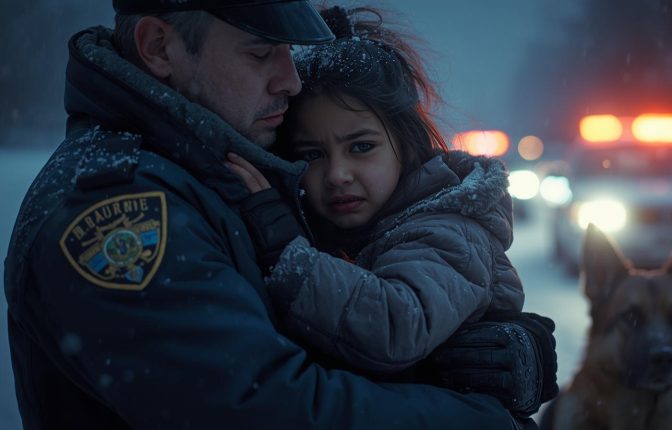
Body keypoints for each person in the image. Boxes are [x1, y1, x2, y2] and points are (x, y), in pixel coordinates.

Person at [3, 1, 553, 429]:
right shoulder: (116, 207)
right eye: (261, 51)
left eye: (289, 51)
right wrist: (476, 414)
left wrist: (462, 351)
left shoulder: (218, 167)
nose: (289, 78)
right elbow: (271, 410)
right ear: (158, 47)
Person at [225, 7, 557, 417]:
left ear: (405, 143)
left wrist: (286, 253)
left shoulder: (445, 227)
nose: (337, 174)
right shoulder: (346, 227)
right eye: (312, 154)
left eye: (361, 147)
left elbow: (394, 325)